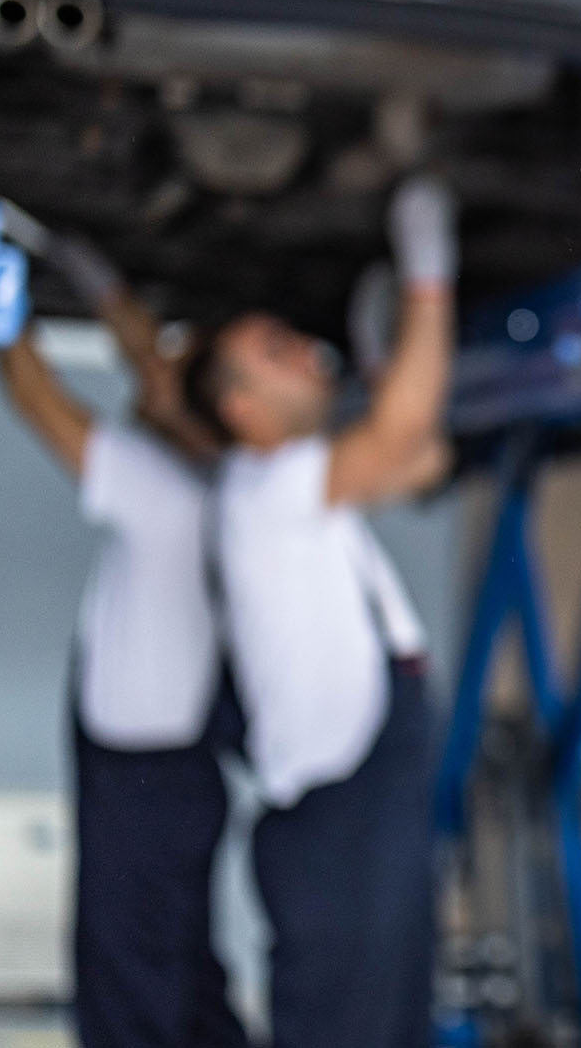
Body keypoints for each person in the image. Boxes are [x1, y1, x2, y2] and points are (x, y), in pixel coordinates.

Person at [181, 176, 457, 1048]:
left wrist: (388, 387)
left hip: (358, 809)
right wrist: (427, 269)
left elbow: (422, 460)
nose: (304, 348)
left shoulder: (291, 487)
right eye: (275, 348)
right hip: (340, 821)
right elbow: (409, 433)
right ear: (241, 409)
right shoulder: (267, 488)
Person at [0, 237, 246, 1048]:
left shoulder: (161, 487)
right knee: (173, 968)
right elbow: (164, 370)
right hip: (171, 775)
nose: (153, 367)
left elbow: (38, 397)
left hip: (146, 780)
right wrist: (101, 284)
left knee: (130, 985)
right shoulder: (209, 471)